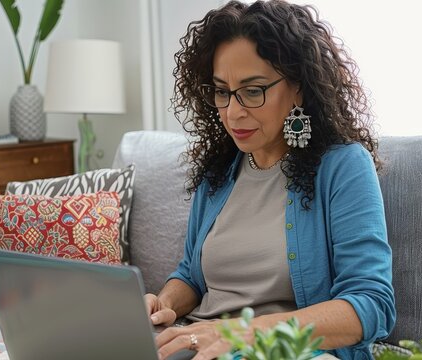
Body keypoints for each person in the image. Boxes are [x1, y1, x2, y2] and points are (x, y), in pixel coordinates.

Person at [145, 1, 396, 359]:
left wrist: (240, 334)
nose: (233, 112)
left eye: (253, 90)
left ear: (298, 86)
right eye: (222, 91)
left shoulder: (342, 166)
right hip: (198, 342)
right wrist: (163, 303)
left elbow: (371, 305)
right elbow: (191, 275)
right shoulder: (219, 171)